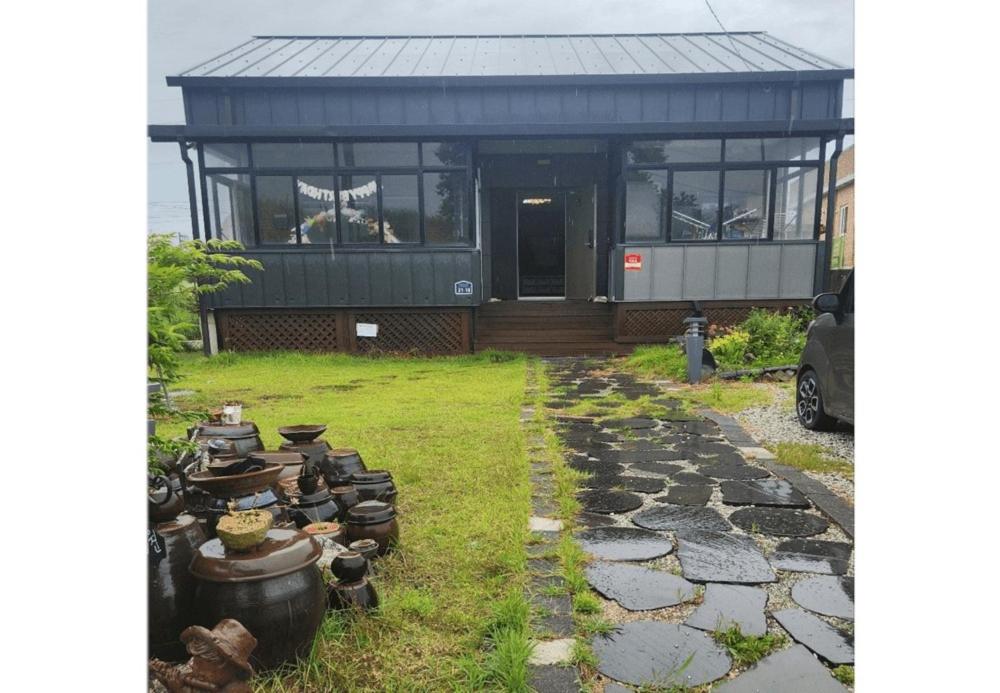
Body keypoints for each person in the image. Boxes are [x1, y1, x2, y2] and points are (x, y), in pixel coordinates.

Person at [149, 619, 256, 693]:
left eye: (199, 663)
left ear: (223, 664)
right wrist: (166, 678)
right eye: (194, 661)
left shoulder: (237, 690)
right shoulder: (209, 682)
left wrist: (179, 690)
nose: (192, 666)